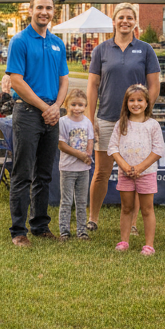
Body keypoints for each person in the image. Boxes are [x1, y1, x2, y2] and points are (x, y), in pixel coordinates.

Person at [85, 3, 161, 236]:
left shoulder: (146, 49)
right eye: (121, 17)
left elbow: (154, 85)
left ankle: (135, 224)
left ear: (135, 21)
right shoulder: (101, 50)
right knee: (101, 173)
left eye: (129, 17)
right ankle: (93, 218)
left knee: (134, 172)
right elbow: (92, 86)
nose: (125, 21)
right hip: (107, 118)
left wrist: (143, 115)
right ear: (113, 21)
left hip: (135, 122)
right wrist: (91, 118)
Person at [6, 0, 69, 247]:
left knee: (44, 174)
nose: (44, 12)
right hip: (29, 114)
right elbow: (16, 81)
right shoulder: (20, 41)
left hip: (51, 115)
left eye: (49, 8)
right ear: (30, 10)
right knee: (23, 174)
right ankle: (18, 231)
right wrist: (46, 107)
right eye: (40, 7)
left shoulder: (57, 43)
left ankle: (40, 225)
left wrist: (57, 107)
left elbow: (64, 79)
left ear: (54, 12)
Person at [107, 84, 165, 256]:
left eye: (140, 100)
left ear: (147, 103)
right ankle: (124, 241)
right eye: (131, 100)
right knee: (126, 208)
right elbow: (112, 147)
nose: (136, 104)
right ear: (126, 103)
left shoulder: (153, 125)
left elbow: (158, 150)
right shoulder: (121, 124)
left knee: (147, 209)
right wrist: (124, 166)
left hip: (146, 173)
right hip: (125, 173)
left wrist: (140, 167)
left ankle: (149, 245)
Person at [57, 88, 94, 240]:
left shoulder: (87, 122)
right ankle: (64, 230)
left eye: (80, 105)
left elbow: (90, 140)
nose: (77, 108)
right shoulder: (63, 122)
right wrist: (80, 154)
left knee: (81, 201)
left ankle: (82, 230)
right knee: (66, 201)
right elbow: (61, 144)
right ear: (66, 105)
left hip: (83, 169)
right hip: (67, 168)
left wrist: (88, 154)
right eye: (73, 104)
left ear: (85, 106)